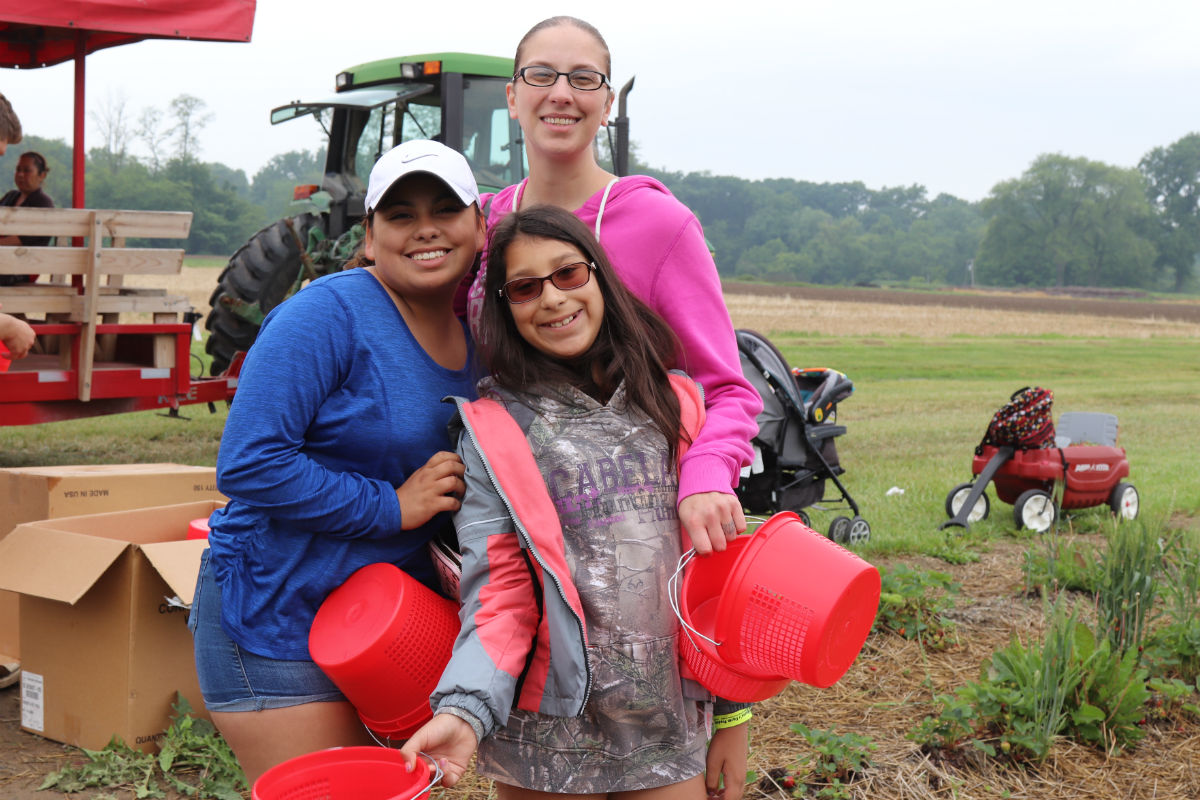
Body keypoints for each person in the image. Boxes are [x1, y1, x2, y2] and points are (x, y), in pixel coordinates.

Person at [402, 205, 751, 800]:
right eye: (525, 288)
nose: (554, 299)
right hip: (543, 745)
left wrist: (734, 717)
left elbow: (717, 582)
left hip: (665, 731)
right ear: (505, 309)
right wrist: (463, 711)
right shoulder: (494, 430)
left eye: (567, 274)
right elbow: (499, 597)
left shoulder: (677, 407)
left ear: (599, 278)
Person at [188, 139, 485, 785]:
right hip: (278, 614)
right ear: (371, 236)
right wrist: (391, 505)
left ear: (480, 224)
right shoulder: (327, 316)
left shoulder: (484, 336)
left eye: (446, 208)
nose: (425, 227)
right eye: (400, 214)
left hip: (387, 625)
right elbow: (248, 463)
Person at [464, 16, 762, 560]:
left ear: (607, 107)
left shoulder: (659, 224)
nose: (560, 93)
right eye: (541, 75)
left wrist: (705, 473)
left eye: (583, 79)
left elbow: (728, 390)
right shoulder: (488, 221)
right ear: (512, 96)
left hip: (626, 530)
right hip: (510, 519)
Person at [0, 151, 55, 285]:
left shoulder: (43, 203)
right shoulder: (11, 196)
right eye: (18, 169)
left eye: (27, 170)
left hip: (22, 267)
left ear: (42, 175)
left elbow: (24, 240)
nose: (20, 174)